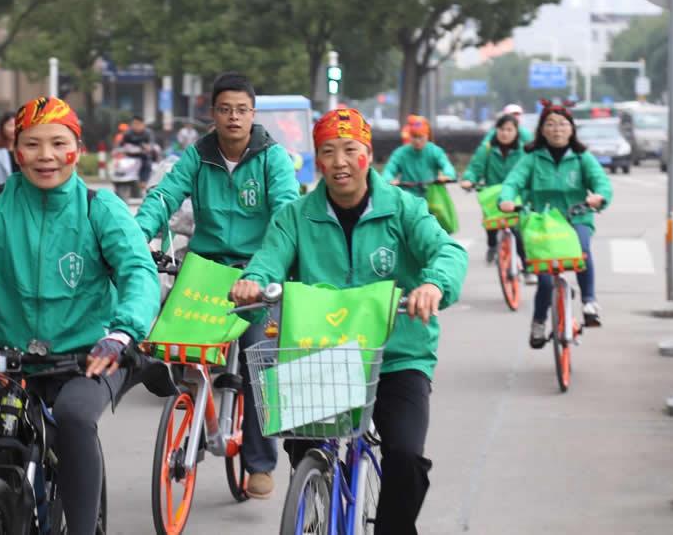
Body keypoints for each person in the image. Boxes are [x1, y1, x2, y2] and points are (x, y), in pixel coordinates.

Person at [0, 97, 162, 534]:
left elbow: (138, 271)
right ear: (15, 150)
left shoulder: (101, 207)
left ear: (77, 149)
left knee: (76, 418)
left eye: (58, 143)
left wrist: (122, 333)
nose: (46, 156)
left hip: (91, 355)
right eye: (33, 144)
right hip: (10, 356)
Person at [229, 108, 468, 535]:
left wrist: (432, 286)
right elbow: (269, 259)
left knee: (406, 455)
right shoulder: (295, 216)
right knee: (303, 444)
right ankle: (315, 489)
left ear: (368, 155)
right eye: (328, 152)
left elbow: (448, 253)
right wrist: (253, 281)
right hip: (317, 351)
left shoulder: (403, 209)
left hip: (395, 356)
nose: (339, 161)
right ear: (317, 161)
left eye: (349, 150)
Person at [136, 71, 299, 499]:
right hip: (205, 268)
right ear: (212, 113)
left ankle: (260, 462)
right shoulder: (197, 156)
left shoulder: (273, 159)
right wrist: (137, 236)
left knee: (258, 360)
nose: (233, 117)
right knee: (175, 342)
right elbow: (165, 196)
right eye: (225, 109)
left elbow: (285, 216)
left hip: (255, 272)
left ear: (253, 114)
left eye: (241, 110)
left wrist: (264, 271)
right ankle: (192, 400)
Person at [498, 102, 613, 347]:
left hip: (577, 217)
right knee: (546, 280)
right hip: (542, 223)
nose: (557, 129)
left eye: (562, 124)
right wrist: (506, 199)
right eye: (550, 124)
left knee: (582, 250)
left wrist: (598, 197)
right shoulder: (532, 159)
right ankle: (539, 323)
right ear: (542, 130)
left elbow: (602, 183)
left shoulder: (583, 158)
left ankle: (589, 302)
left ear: (571, 129)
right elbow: (513, 182)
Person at [461, 113, 533, 276]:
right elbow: (475, 168)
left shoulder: (524, 150)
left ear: (516, 132)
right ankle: (492, 246)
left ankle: (527, 270)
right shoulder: (486, 149)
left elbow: (531, 170)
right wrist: (469, 180)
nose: (505, 133)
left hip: (516, 197)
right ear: (496, 130)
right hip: (492, 196)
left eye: (509, 129)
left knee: (517, 231)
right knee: (491, 225)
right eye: (502, 129)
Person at [382, 115, 456, 196]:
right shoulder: (400, 153)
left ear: (427, 136)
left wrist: (448, 175)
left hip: (431, 195)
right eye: (414, 137)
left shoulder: (435, 151)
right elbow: (389, 169)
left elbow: (446, 165)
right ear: (410, 136)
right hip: (408, 196)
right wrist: (389, 179)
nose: (417, 141)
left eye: (421, 137)